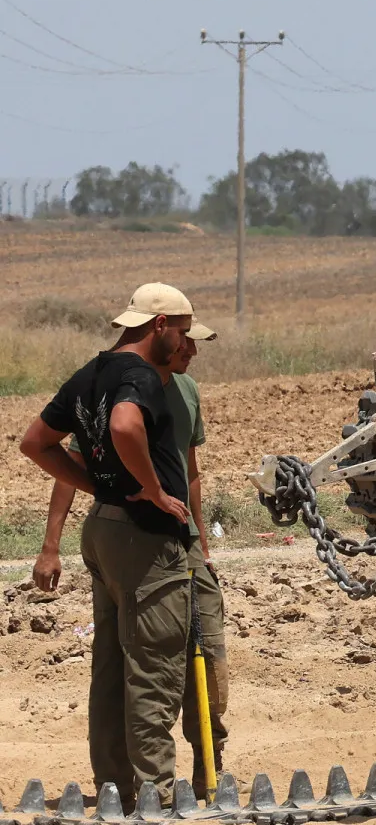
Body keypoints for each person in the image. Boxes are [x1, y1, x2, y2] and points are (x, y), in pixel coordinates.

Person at [17, 283, 200, 799]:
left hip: (103, 529)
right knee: (154, 663)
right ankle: (156, 791)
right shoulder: (139, 375)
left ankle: (114, 786)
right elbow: (123, 425)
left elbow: (36, 443)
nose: (187, 343)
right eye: (183, 332)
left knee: (113, 664)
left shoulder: (90, 373)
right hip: (144, 539)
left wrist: (100, 486)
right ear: (160, 325)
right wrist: (152, 489)